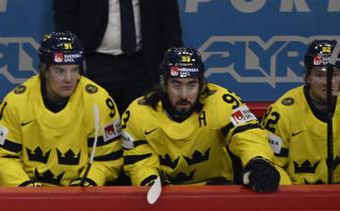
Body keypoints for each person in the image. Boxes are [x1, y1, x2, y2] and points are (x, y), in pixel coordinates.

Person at [121, 47, 284, 192]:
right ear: (164, 84)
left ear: (202, 84)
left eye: (191, 85)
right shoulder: (138, 112)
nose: (184, 95)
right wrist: (150, 181)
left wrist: (257, 160)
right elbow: (139, 163)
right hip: (164, 195)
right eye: (176, 85)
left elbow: (248, 136)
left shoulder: (222, 101)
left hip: (217, 190)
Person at [0, 32, 122, 188]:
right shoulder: (16, 102)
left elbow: (107, 159)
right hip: (27, 197)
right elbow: (1, 157)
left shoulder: (99, 102)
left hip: (81, 197)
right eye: (60, 71)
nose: (69, 79)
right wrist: (25, 187)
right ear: (44, 70)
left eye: (74, 70)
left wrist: (88, 182)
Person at [54, 0, 182, 112]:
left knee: (141, 126)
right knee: (93, 123)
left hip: (142, 65)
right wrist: (72, 55)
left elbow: (169, 14)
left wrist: (173, 59)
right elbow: (65, 13)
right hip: (94, 63)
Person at [262, 39, 339, 185]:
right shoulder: (281, 112)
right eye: (319, 75)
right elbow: (271, 165)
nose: (327, 82)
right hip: (296, 195)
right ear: (307, 77)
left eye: (333, 74)